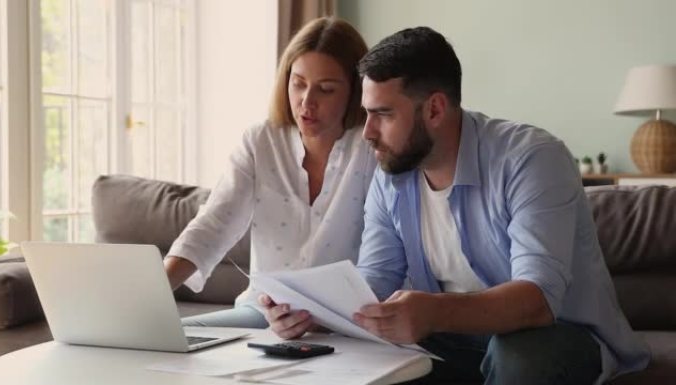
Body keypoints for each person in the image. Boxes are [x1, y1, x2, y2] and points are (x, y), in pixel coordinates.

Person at [266, 27, 650, 384]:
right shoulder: (392, 175)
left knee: (516, 356)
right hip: (452, 338)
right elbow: (376, 282)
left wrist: (432, 312)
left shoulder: (531, 159)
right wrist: (311, 316)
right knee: (360, 355)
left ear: (434, 109)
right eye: (367, 113)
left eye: (383, 114)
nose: (367, 132)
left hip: (557, 335)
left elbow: (537, 300)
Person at [164, 17, 375, 328]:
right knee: (182, 335)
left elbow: (386, 260)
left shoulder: (372, 148)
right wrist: (153, 292)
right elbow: (213, 224)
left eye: (326, 90)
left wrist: (326, 318)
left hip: (347, 320)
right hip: (263, 313)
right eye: (298, 83)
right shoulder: (260, 141)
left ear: (355, 91)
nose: (307, 102)